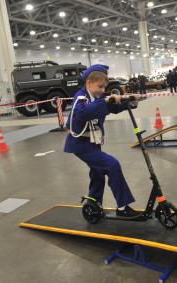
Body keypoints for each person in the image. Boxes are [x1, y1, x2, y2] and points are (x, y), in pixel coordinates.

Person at [64, 64, 143, 218]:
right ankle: (123, 207)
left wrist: (130, 101)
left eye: (103, 87)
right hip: (80, 144)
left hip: (93, 143)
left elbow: (112, 107)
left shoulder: (97, 98)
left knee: (98, 172)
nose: (102, 90)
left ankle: (94, 202)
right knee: (112, 165)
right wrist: (106, 102)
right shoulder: (80, 98)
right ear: (88, 83)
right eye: (99, 86)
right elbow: (83, 113)